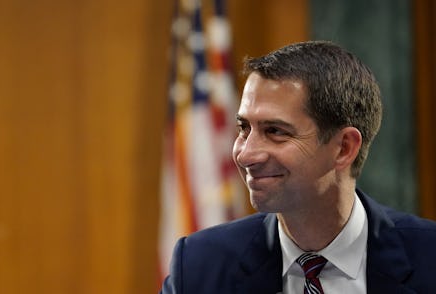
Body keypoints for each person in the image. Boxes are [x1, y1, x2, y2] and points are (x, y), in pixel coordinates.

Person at [159, 41, 436, 294]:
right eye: (244, 128)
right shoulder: (199, 266)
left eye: (276, 131)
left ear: (344, 148)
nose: (245, 154)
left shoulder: (429, 258)